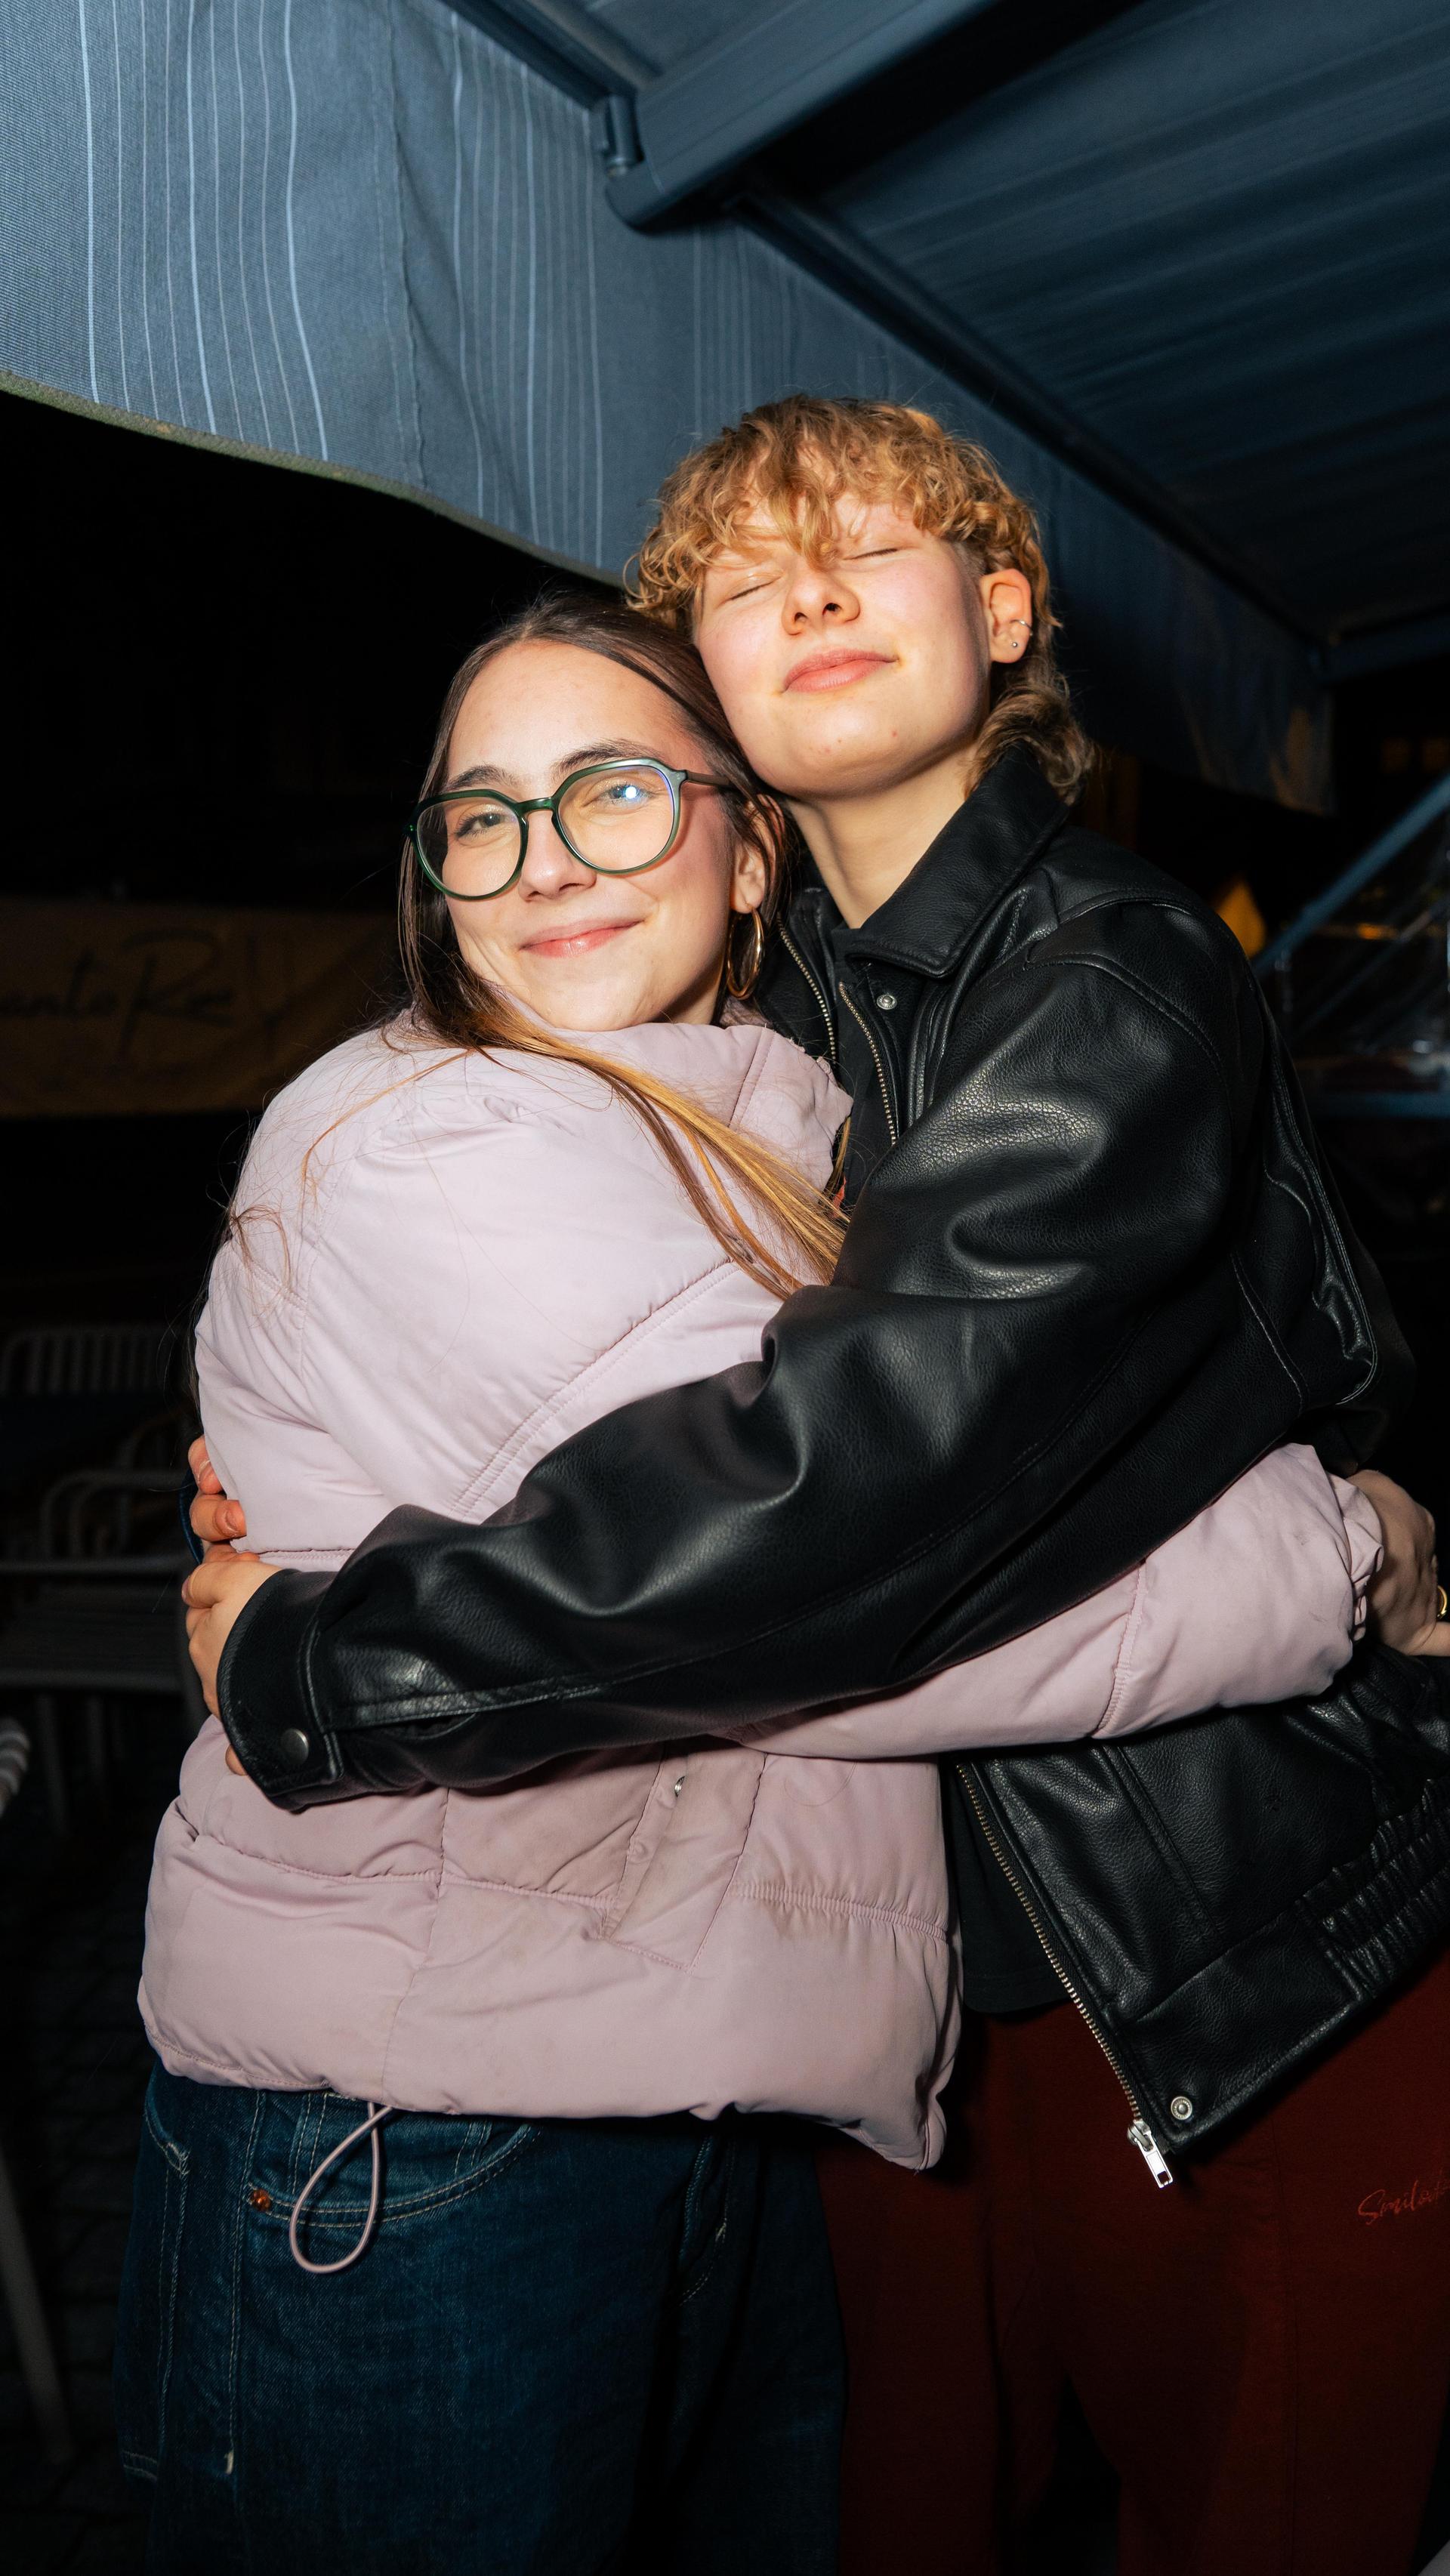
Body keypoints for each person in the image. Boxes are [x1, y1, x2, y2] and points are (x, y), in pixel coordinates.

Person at [184, 400, 1450, 2574]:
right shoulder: (762, 1031)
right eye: (750, 577)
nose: (819, 592)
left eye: (876, 542)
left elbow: (839, 1504)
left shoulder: (1105, 972)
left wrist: (327, 1655)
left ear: (1009, 610)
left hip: (1229, 1953)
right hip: (927, 2003)